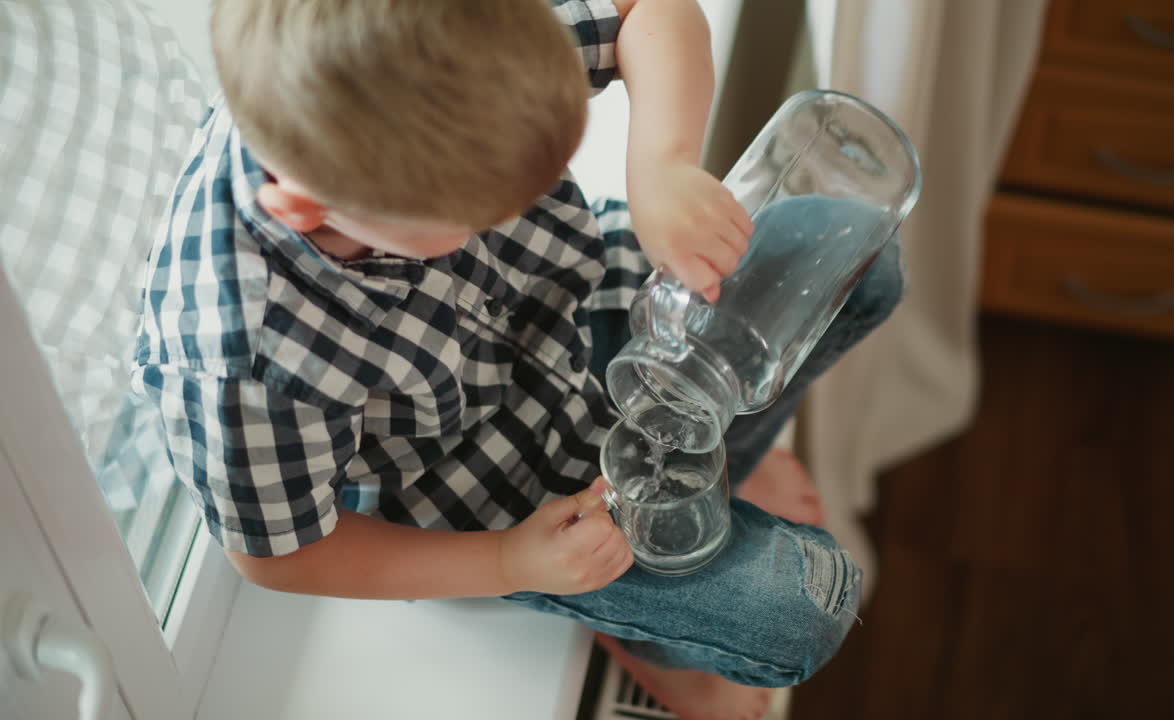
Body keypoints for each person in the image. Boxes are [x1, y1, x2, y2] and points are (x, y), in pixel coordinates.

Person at [133, 2, 902, 718]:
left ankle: (713, 450)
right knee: (805, 610)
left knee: (866, 260)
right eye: (483, 211)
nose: (518, 206)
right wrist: (509, 562)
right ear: (305, 209)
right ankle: (650, 631)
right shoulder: (239, 358)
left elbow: (645, 9)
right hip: (492, 483)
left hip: (588, 302)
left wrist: (660, 171)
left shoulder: (452, 39)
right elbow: (280, 556)